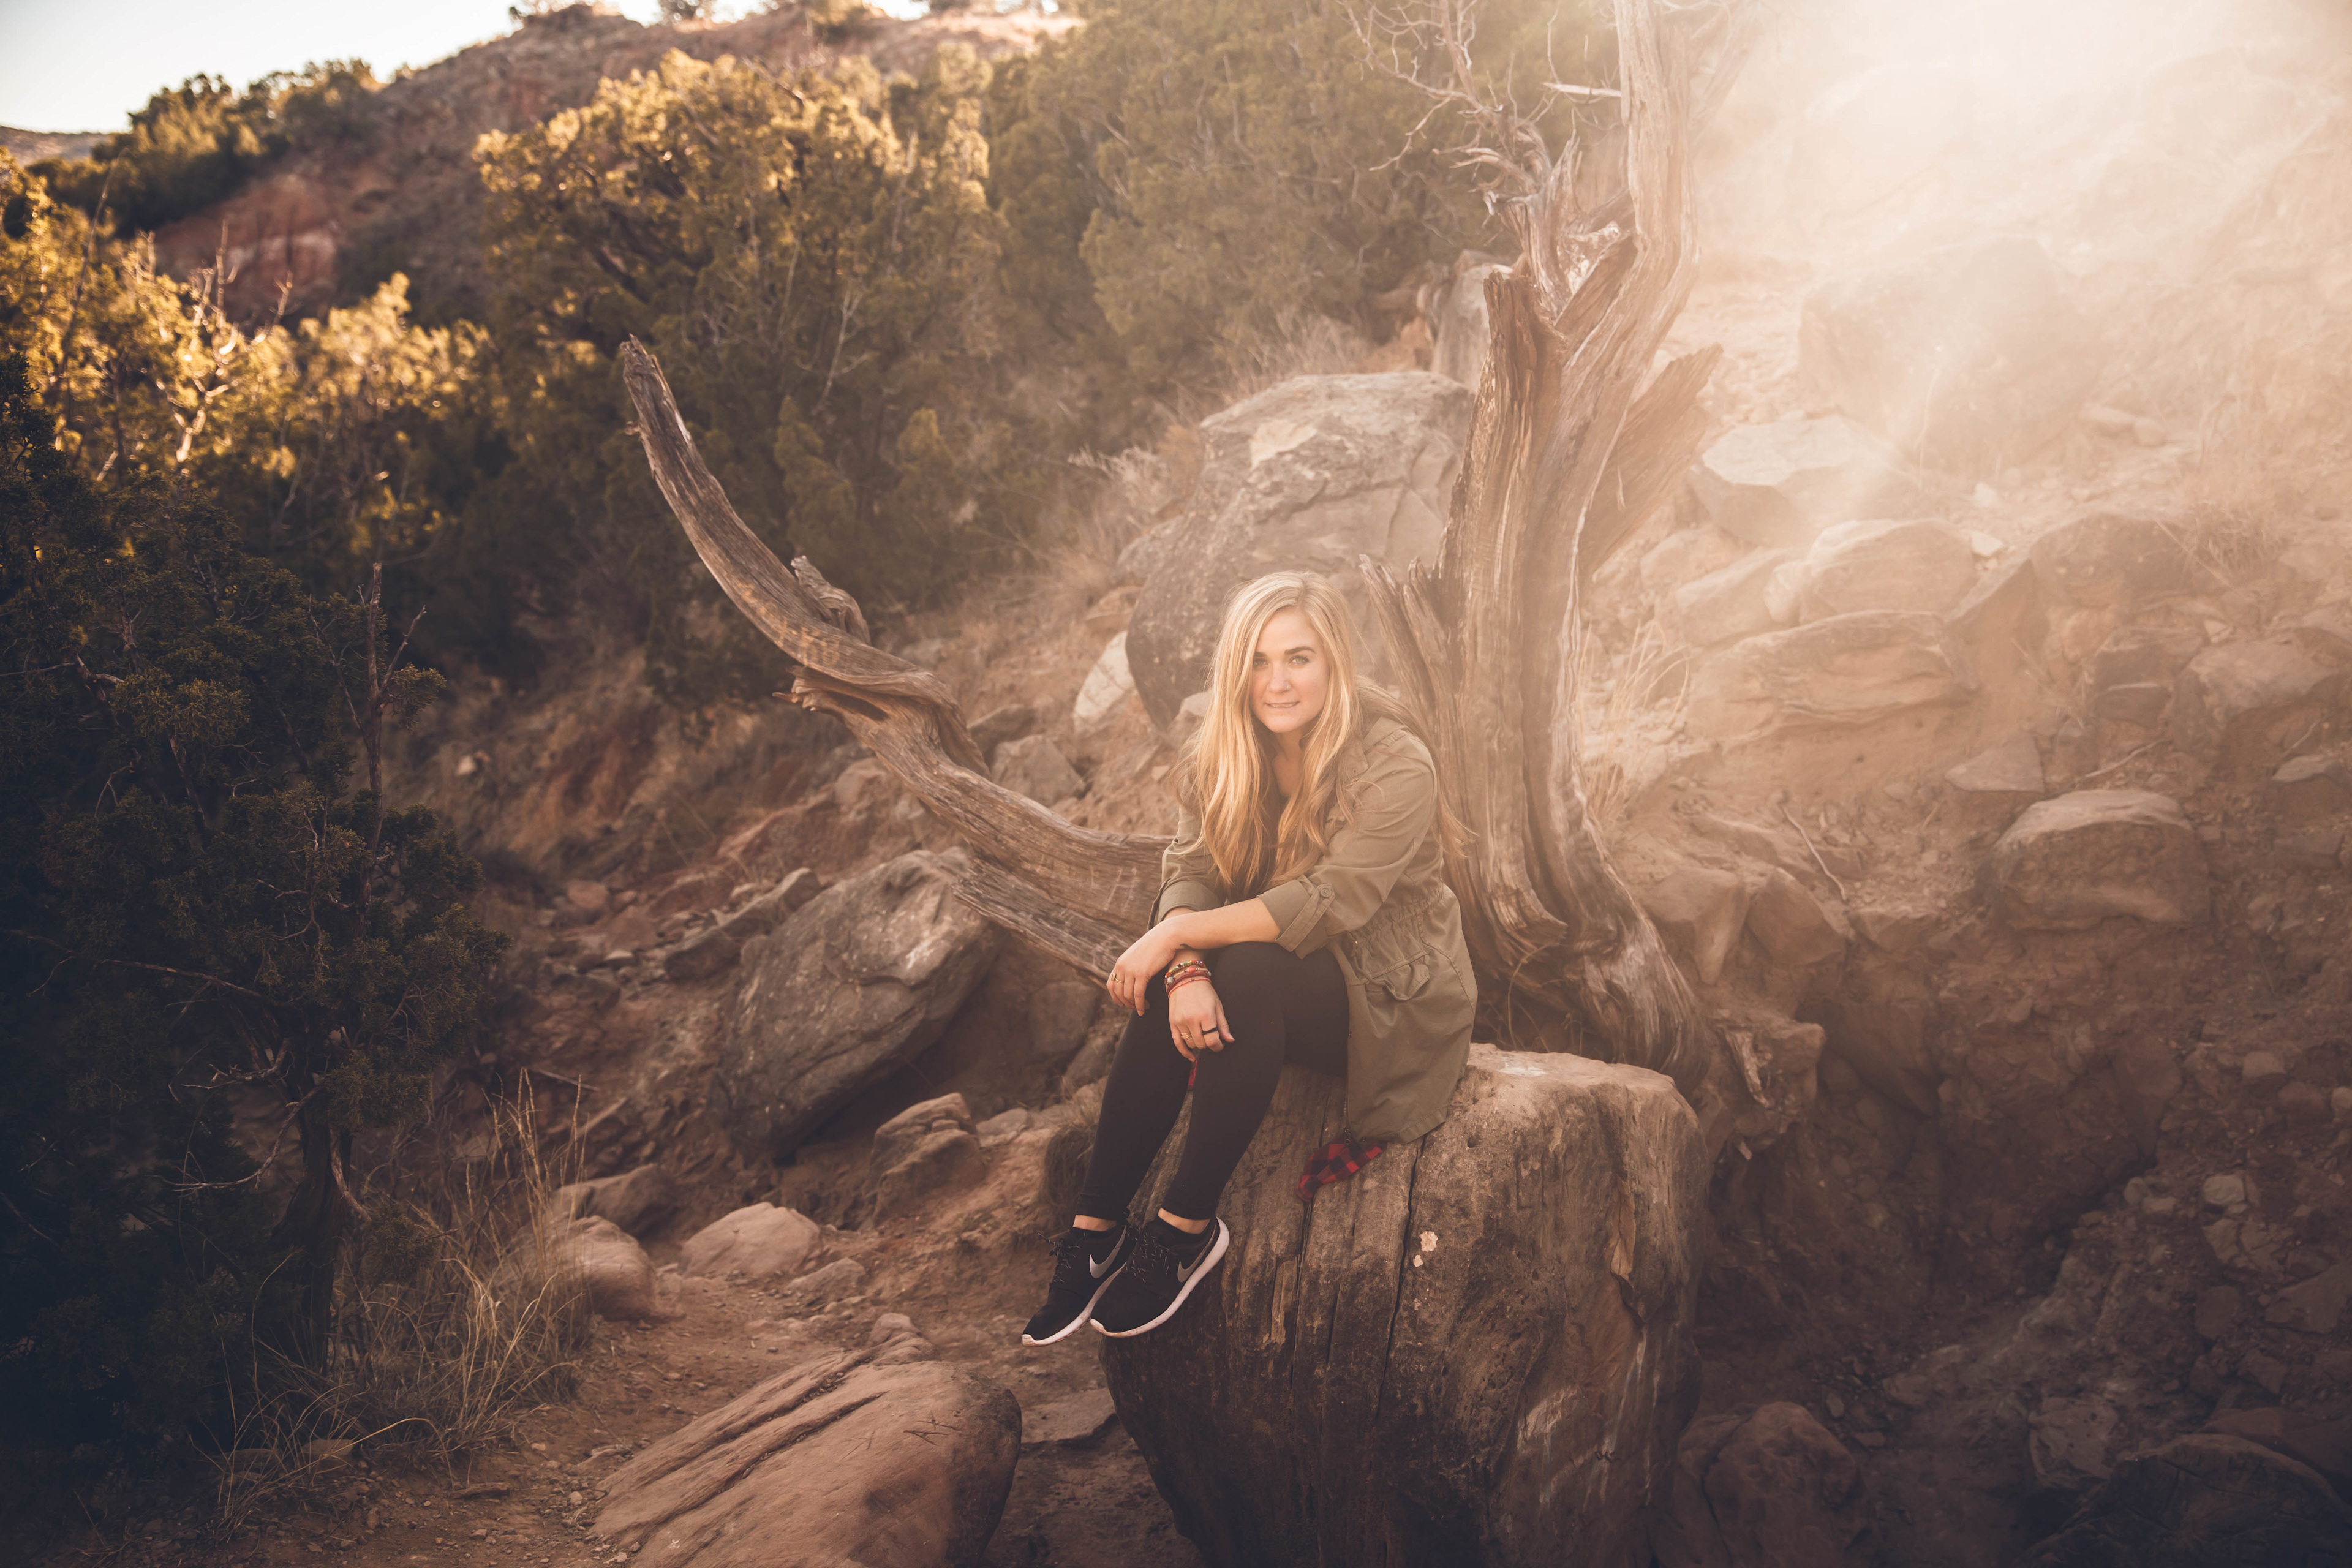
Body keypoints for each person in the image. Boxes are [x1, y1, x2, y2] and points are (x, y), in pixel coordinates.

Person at [1021, 571, 1476, 1344]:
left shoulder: (1395, 761)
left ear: (1335, 662)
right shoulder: (1228, 750)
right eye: (1260, 661)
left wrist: (1173, 941)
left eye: (1299, 657)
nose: (1278, 681)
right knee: (1194, 984)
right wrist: (1188, 970)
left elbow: (1333, 901)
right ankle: (1096, 1234)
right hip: (1279, 970)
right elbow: (1191, 869)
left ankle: (1186, 1227)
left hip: (1384, 989)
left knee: (1252, 968)